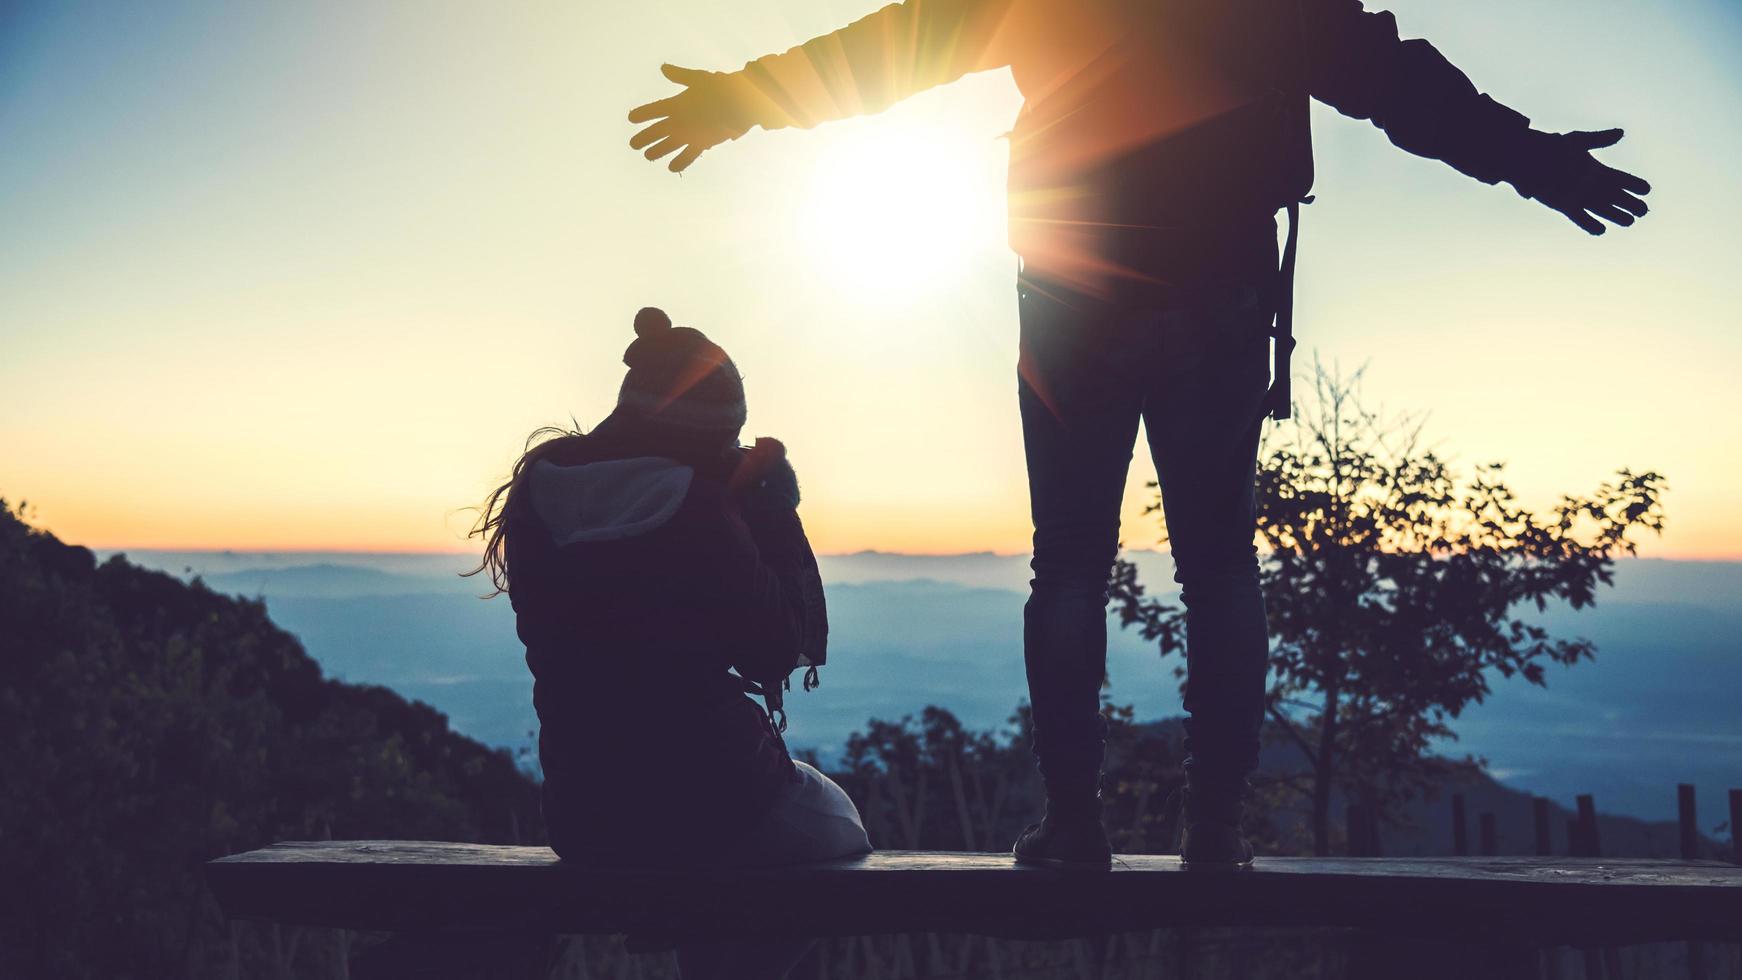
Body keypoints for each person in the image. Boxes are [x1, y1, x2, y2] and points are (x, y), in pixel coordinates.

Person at [623, 0, 1650, 870]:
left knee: (1066, 562)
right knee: (1216, 564)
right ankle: (1215, 829)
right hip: (1218, 290)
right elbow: (1385, 76)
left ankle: (1072, 825)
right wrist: (1529, 159)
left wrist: (739, 100)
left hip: (1072, 290)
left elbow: (903, 43)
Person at [470, 306, 871, 979]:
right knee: (844, 835)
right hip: (719, 797)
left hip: (582, 812)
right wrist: (769, 518)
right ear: (709, 438)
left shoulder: (540, 496)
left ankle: (698, 933)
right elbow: (774, 648)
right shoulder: (697, 509)